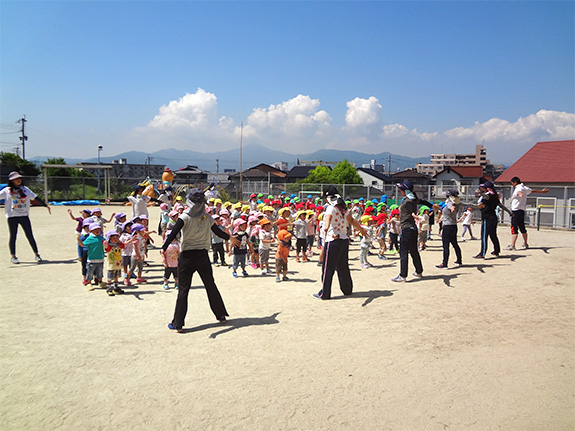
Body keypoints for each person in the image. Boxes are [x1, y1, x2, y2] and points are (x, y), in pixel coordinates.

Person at [162, 189, 239, 333]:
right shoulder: (208, 218)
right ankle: (221, 315)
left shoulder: (184, 217)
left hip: (187, 257)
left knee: (184, 290)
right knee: (210, 285)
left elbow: (173, 233)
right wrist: (231, 238)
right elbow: (219, 232)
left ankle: (178, 324)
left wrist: (164, 248)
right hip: (203, 256)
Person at [313, 186, 366, 300]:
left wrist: (326, 228)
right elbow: (351, 221)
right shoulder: (343, 208)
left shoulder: (330, 208)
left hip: (332, 240)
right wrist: (361, 230)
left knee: (328, 268)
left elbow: (327, 218)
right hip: (343, 240)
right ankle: (347, 290)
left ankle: (325, 293)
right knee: (343, 266)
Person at [0, 171, 51, 264]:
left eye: (19, 178)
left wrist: (45, 205)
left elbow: (35, 197)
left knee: (29, 235)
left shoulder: (25, 189)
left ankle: (36, 254)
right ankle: (13, 256)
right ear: (11, 181)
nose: (18, 180)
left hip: (23, 215)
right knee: (13, 236)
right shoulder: (6, 191)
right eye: (16, 179)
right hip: (12, 216)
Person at [391, 182, 424, 282]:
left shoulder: (408, 201)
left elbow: (411, 212)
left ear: (406, 191)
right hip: (412, 229)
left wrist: (415, 215)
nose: (400, 192)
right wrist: (432, 205)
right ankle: (419, 271)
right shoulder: (412, 199)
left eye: (401, 190)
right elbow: (423, 202)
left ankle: (403, 275)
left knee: (403, 252)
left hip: (407, 229)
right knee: (414, 251)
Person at [505, 176, 549, 250]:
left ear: (515, 182)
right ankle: (525, 243)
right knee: (522, 227)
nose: (512, 185)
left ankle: (512, 245)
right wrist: (541, 191)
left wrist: (520, 194)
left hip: (516, 211)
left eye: (512, 183)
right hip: (521, 211)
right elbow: (532, 191)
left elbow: (520, 192)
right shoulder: (524, 187)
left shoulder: (519, 188)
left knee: (514, 228)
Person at [474, 181, 512, 259]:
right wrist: (509, 212)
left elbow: (486, 198)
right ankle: (496, 250)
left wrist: (480, 194)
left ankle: (482, 253)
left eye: (483, 187)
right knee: (493, 235)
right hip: (493, 217)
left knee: (484, 236)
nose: (481, 188)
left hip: (487, 218)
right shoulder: (494, 196)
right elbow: (501, 205)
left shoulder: (489, 196)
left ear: (487, 189)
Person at [436, 189, 463, 269]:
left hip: (447, 227)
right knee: (455, 244)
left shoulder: (449, 203)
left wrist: (451, 207)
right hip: (454, 226)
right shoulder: (457, 202)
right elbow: (467, 204)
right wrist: (476, 205)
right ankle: (459, 260)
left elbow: (450, 205)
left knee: (446, 246)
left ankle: (444, 264)